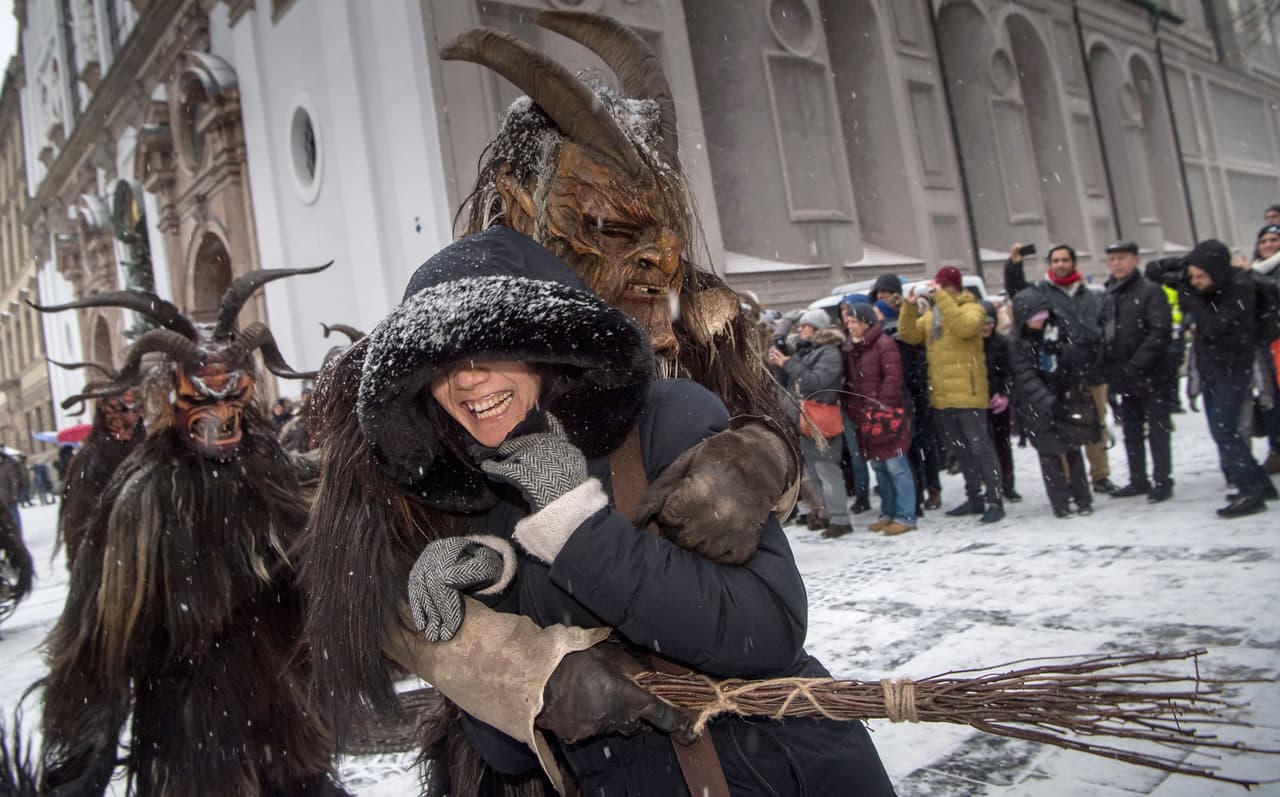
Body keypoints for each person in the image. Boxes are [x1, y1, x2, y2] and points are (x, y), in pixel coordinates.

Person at [316, 227, 897, 795]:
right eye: (441, 364)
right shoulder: (483, 498)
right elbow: (506, 755)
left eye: (490, 346)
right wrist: (500, 643)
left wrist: (575, 526)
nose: (467, 379)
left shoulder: (663, 419)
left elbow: (766, 630)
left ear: (546, 347)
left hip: (779, 773)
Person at [1005, 243, 1116, 495]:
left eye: (1065, 260)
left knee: (1095, 425)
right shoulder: (1041, 293)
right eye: (1055, 261)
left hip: (1091, 370)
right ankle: (1068, 479)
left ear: (1073, 263)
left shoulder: (1091, 295)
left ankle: (1100, 475)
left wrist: (1100, 352)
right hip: (1060, 375)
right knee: (1064, 428)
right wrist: (1014, 266)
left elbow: (1104, 328)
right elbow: (1017, 293)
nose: (1060, 264)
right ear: (1050, 265)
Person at [899, 266, 1005, 523]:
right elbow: (909, 334)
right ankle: (974, 497)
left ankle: (995, 499)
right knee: (961, 450)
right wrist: (909, 307)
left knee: (981, 449)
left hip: (969, 392)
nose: (940, 291)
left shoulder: (973, 308)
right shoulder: (933, 315)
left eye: (944, 286)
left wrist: (941, 297)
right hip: (943, 395)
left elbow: (964, 327)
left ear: (954, 286)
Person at [1181, 240, 1275, 517]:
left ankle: (1250, 491)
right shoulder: (1212, 289)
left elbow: (1214, 324)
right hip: (1213, 368)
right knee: (1223, 429)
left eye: (1200, 276)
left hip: (1232, 369)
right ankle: (1260, 484)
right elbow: (1156, 269)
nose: (1195, 282)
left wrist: (1194, 298)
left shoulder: (1239, 289)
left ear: (1217, 271)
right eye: (1192, 277)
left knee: (1224, 430)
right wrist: (1186, 268)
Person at [1011, 290, 1099, 518]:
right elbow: (1026, 378)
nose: (1039, 322)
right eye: (1034, 318)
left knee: (1073, 452)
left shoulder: (1058, 331)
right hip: (1038, 408)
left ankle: (1083, 499)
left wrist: (1062, 352)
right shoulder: (1017, 344)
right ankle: (1060, 504)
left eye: (1042, 316)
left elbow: (1076, 360)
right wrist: (1048, 402)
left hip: (1065, 399)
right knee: (1050, 457)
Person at [1101, 241, 1175, 503]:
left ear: (1135, 260)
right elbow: (1106, 332)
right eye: (1112, 259)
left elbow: (1160, 331)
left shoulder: (1150, 291)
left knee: (1157, 429)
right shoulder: (1110, 292)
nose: (1116, 264)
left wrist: (1137, 363)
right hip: (1123, 375)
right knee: (1131, 430)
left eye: (1121, 258)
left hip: (1152, 373)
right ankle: (1138, 479)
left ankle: (1163, 480)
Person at [771, 308, 853, 537]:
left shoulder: (830, 352)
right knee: (813, 472)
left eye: (805, 326)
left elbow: (817, 381)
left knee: (828, 470)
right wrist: (781, 364)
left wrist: (788, 364)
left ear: (817, 329)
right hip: (805, 419)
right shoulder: (808, 349)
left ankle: (840, 519)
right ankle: (822, 514)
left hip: (821, 417)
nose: (800, 330)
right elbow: (790, 378)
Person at [843, 303, 916, 535]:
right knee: (880, 467)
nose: (850, 326)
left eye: (854, 321)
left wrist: (879, 407)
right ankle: (888, 513)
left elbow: (892, 379)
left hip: (885, 416)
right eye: (848, 322)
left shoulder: (884, 344)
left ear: (866, 322)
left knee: (897, 467)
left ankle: (906, 516)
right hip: (866, 417)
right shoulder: (853, 348)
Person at [982, 300, 1019, 502]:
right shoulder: (971, 345)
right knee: (983, 447)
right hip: (978, 401)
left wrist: (1004, 393)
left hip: (999, 402)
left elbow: (1009, 371)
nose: (986, 327)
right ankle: (990, 484)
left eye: (990, 323)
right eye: (983, 323)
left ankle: (1008, 484)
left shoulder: (1002, 343)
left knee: (1002, 444)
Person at [1251, 223, 1280, 474]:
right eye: (1263, 241)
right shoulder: (1253, 272)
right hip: (1263, 346)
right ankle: (1276, 449)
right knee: (1269, 398)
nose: (1268, 245)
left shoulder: (1257, 275)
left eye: (1273, 240)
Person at [0, 452, 23, 534]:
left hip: (9, 497)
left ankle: (18, 536)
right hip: (2, 499)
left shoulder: (10, 464)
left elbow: (15, 480)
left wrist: (15, 495)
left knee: (14, 519)